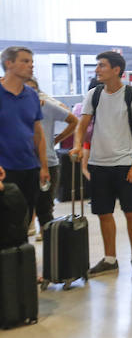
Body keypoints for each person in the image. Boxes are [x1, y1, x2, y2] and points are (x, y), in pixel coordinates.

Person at [70, 51, 132, 277]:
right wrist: (77, 145)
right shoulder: (93, 94)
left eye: (102, 66)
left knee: (131, 211)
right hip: (98, 164)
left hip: (124, 163)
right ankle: (110, 258)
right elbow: (81, 124)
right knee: (104, 213)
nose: (97, 70)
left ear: (116, 70)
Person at [0, 46, 50, 233]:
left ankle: (21, 260)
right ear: (9, 64)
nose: (31, 66)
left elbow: (38, 134)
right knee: (5, 222)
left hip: (30, 168)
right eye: (25, 61)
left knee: (25, 218)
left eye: (31, 62)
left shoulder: (32, 96)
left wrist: (43, 166)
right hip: (4, 170)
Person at [25, 78, 77, 238]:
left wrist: (56, 140)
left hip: (48, 162)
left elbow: (74, 121)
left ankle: (45, 233)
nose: (31, 92)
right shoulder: (14, 107)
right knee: (24, 204)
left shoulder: (47, 106)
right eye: (27, 89)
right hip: (23, 163)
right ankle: (30, 225)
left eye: (34, 89)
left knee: (46, 205)